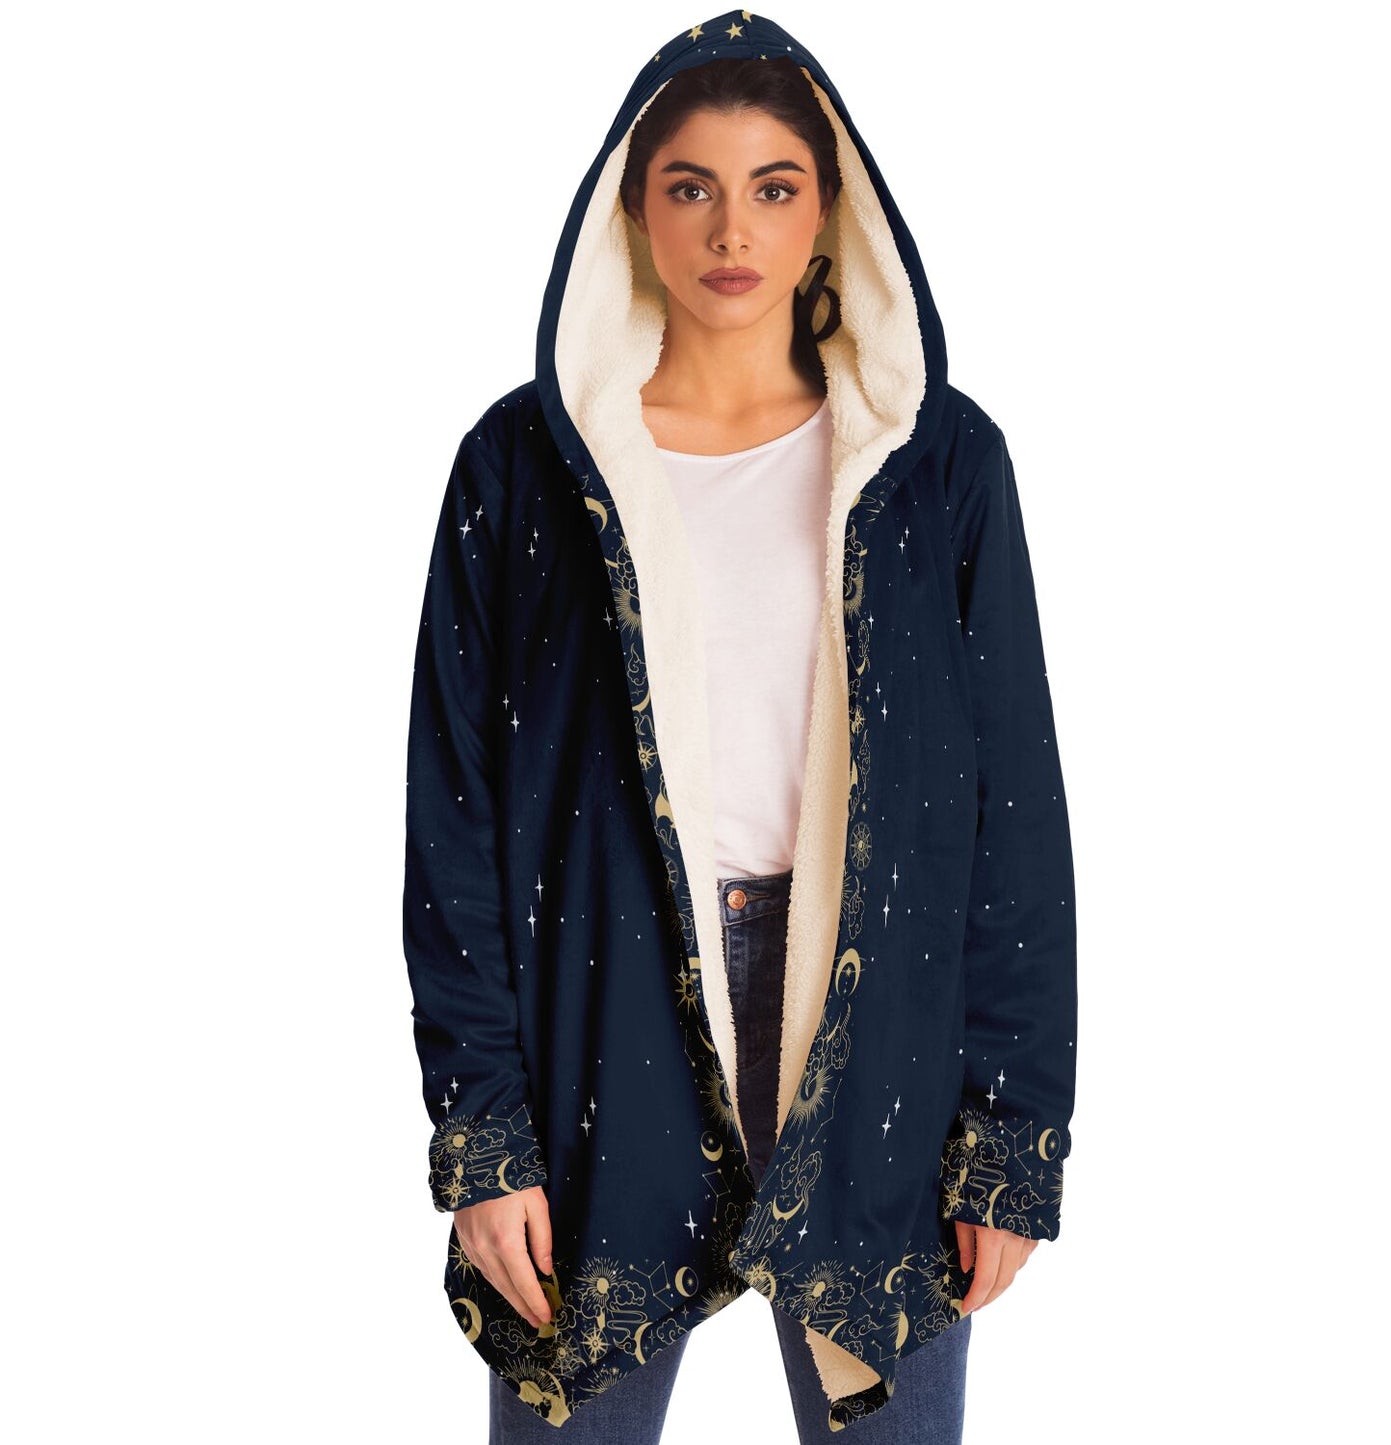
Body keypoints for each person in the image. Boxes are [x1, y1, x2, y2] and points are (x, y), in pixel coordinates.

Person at [401, 10, 1078, 1442]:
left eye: (774, 185)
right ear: (632, 211)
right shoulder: (525, 467)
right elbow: (453, 808)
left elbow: (1011, 810)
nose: (731, 228)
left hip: (875, 1031)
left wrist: (1009, 1133)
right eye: (690, 186)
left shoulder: (935, 461)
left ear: (827, 212)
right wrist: (483, 1133)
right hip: (599, 1019)